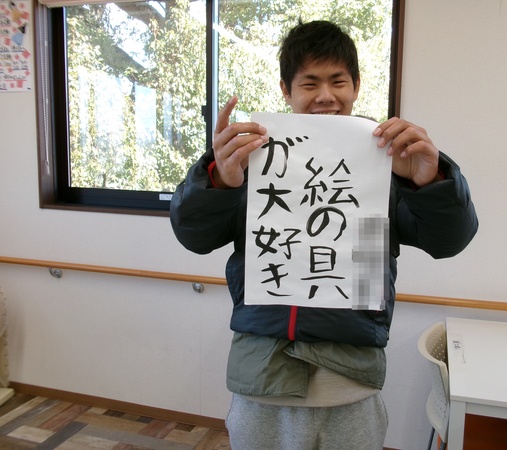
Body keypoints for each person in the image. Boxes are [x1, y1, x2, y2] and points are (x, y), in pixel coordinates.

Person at [170, 20, 478, 450]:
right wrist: (218, 180)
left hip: (353, 379)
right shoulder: (252, 159)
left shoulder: (387, 161)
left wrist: (430, 182)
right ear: (286, 90)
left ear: (356, 86)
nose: (325, 96)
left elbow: (448, 242)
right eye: (309, 83)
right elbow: (195, 236)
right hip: (262, 374)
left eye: (338, 81)